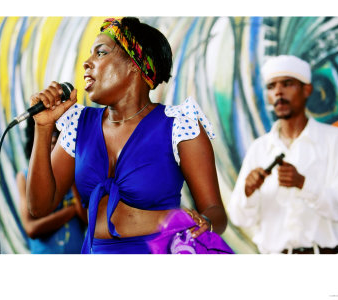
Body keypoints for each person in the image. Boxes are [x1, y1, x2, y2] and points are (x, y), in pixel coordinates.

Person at [26, 17, 228, 254]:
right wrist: (43, 127)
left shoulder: (178, 124)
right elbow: (38, 208)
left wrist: (205, 223)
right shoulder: (77, 125)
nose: (87, 63)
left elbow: (215, 211)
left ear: (135, 64)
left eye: (100, 53)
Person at [228, 55, 338, 254]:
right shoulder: (259, 149)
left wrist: (303, 184)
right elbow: (239, 218)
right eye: (271, 87)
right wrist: (248, 190)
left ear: (307, 90)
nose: (278, 91)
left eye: (287, 84)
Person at [17, 118, 87, 254]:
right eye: (50, 137)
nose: (54, 142)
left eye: (59, 136)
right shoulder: (25, 177)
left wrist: (71, 174)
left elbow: (87, 219)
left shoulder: (77, 174)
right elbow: (31, 229)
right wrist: (71, 211)